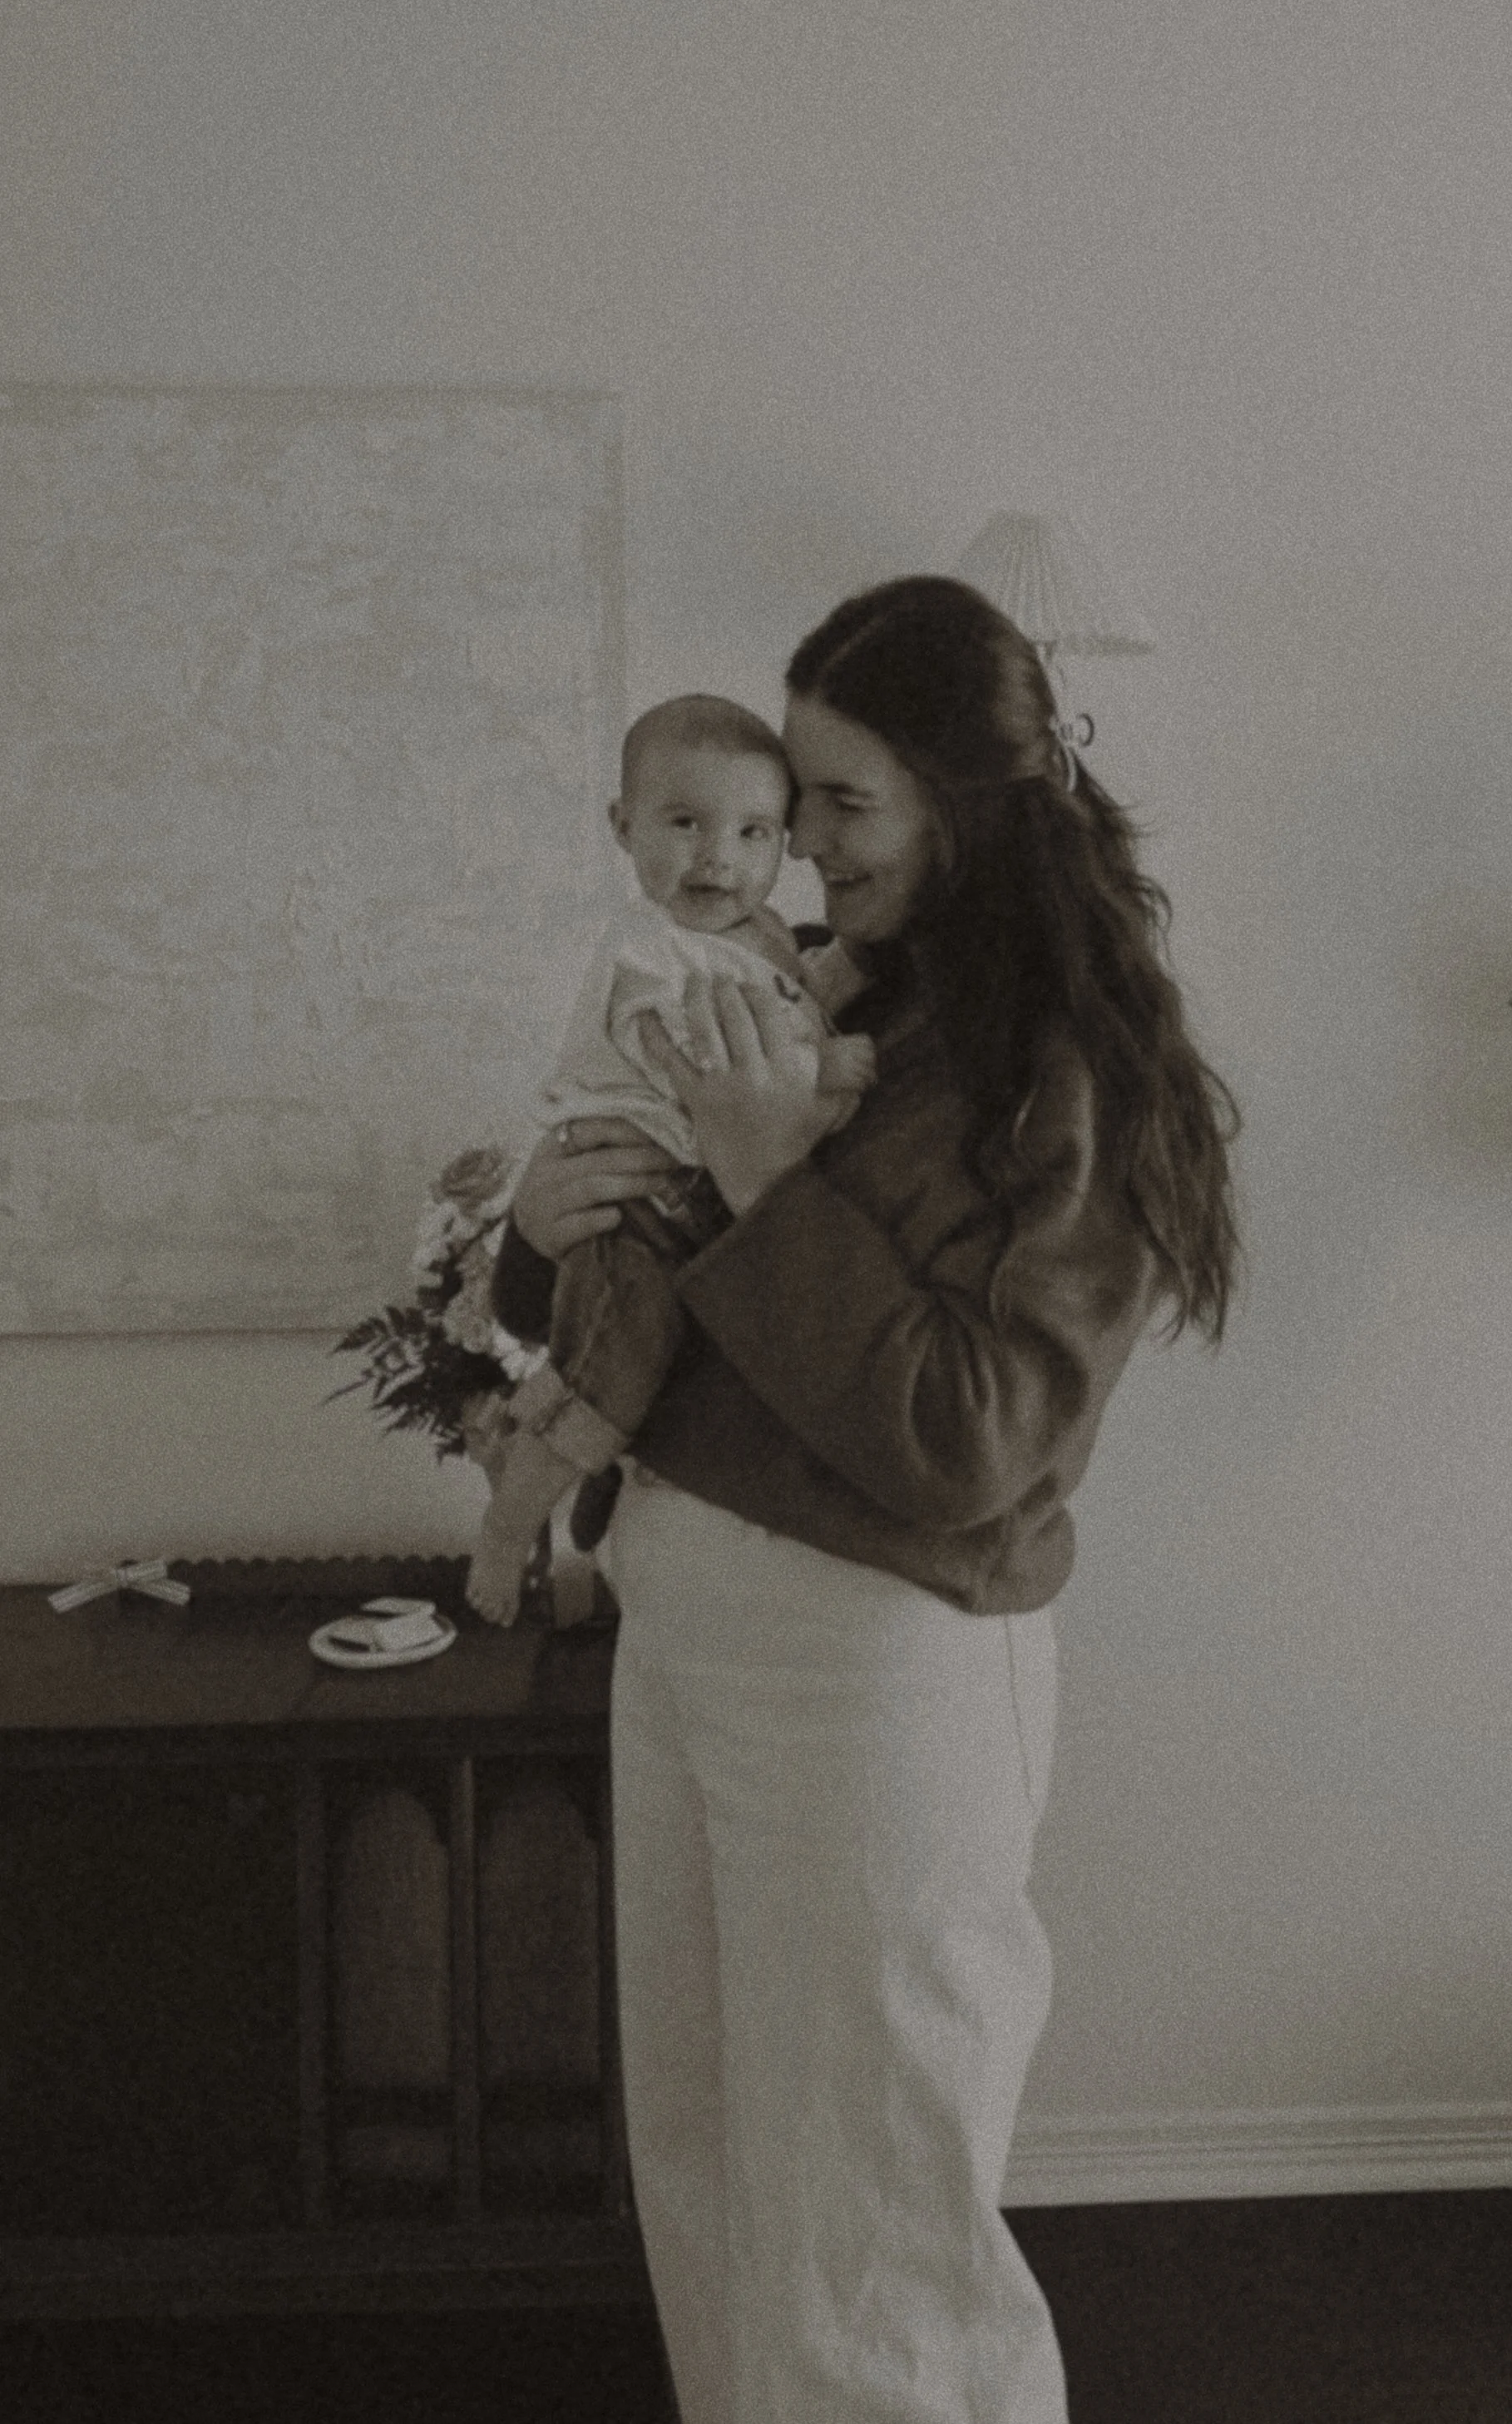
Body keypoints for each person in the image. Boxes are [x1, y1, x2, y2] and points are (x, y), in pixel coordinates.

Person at [490, 575, 1239, 2424]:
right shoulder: (823, 1000)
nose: (798, 852)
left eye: (839, 804)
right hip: (684, 1622)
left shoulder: (1074, 1068)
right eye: (789, 800)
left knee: (869, 2239)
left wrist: (762, 1179)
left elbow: (972, 1437)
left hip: (872, 1673)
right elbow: (637, 1297)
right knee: (717, 2185)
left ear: (964, 798)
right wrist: (532, 1231)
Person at [465, 691, 874, 1623]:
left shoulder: (759, 937)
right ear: (623, 826)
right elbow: (698, 1069)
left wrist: (838, 988)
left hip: (693, 1209)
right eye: (684, 824)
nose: (717, 857)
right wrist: (826, 1070)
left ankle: (578, 1473)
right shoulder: (651, 948)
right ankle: (507, 1524)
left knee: (641, 1371)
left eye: (752, 832)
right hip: (643, 1209)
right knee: (614, 1365)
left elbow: (802, 990)